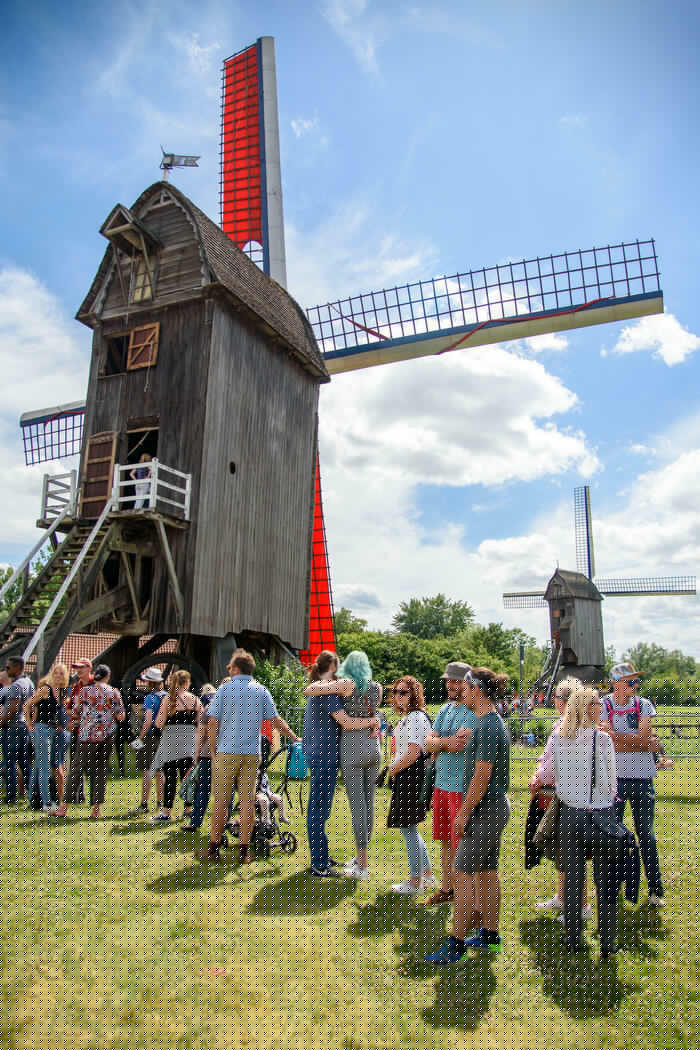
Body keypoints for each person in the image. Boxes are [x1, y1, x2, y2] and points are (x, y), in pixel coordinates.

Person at [425, 666, 510, 964]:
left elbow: (481, 776)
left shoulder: (487, 726)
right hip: (491, 807)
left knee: (462, 874)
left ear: (476, 690)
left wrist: (463, 812)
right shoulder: (489, 721)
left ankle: (456, 943)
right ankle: (490, 936)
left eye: (468, 688)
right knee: (487, 872)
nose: (463, 692)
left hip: (485, 808)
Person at [201, 649, 300, 864]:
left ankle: (214, 847)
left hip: (227, 750)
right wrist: (294, 737)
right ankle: (244, 851)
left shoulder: (224, 690)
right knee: (247, 801)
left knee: (221, 801)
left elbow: (212, 721)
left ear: (236, 669)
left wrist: (213, 749)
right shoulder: (261, 690)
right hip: (251, 753)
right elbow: (275, 720)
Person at [553, 684, 623, 959]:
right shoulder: (602, 740)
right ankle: (607, 941)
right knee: (604, 881)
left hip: (570, 813)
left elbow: (558, 778)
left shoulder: (559, 738)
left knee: (573, 878)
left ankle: (572, 938)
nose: (600, 707)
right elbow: (610, 782)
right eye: (595, 703)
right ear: (587, 708)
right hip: (600, 813)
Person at [302, 651, 380, 877]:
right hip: (326, 754)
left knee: (325, 808)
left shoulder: (335, 688)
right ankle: (320, 861)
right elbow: (345, 721)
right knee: (320, 809)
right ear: (334, 667)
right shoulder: (333, 690)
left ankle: (323, 856)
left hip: (331, 752)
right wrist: (374, 721)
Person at [599, 662, 665, 906]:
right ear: (616, 682)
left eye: (636, 681)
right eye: (630, 681)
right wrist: (638, 742)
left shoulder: (644, 705)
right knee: (611, 834)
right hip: (613, 780)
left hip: (642, 779)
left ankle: (655, 889)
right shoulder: (603, 705)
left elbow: (645, 738)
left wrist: (621, 738)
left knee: (646, 834)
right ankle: (611, 887)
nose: (635, 686)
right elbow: (610, 742)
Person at [529, 677, 592, 921]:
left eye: (556, 696)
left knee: (573, 852)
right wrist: (539, 772)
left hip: (571, 798)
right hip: (566, 795)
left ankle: (580, 906)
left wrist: (538, 777)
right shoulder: (568, 726)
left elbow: (554, 763)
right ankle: (563, 897)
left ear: (564, 701)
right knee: (564, 849)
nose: (553, 700)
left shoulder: (571, 729)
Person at [421, 661, 476, 907]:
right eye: (448, 680)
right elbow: (428, 742)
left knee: (463, 845)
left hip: (462, 787)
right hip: (441, 784)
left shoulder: (475, 711)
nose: (450, 685)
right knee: (445, 840)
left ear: (468, 683)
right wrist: (444, 742)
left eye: (456, 681)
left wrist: (439, 742)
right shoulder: (445, 710)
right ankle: (447, 889)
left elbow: (459, 745)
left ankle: (469, 899)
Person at [385, 676, 436, 894]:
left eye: (404, 692)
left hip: (411, 775)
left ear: (414, 694)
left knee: (408, 828)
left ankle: (415, 882)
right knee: (411, 828)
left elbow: (414, 751)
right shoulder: (410, 717)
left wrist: (393, 768)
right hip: (410, 774)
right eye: (396, 692)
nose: (398, 696)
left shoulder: (416, 717)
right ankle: (427, 875)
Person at [56, 664, 125, 819]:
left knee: (76, 769)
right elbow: (121, 717)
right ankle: (96, 810)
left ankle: (64, 807)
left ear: (95, 675)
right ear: (108, 676)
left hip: (87, 735)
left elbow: (74, 712)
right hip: (107, 735)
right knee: (100, 770)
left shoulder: (85, 691)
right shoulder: (114, 692)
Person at [148, 669, 201, 823]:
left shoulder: (168, 700)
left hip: (171, 746)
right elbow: (201, 723)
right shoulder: (195, 700)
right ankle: (188, 809)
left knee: (170, 779)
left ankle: (166, 812)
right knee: (188, 779)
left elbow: (158, 723)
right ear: (187, 683)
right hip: (189, 746)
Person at [24, 663, 69, 813]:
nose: (58, 676)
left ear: (65, 676)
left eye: (61, 673)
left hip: (53, 731)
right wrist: (29, 724)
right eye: (56, 673)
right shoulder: (45, 689)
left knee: (38, 765)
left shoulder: (62, 693)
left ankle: (31, 798)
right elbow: (28, 705)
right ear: (52, 674)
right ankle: (47, 803)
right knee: (44, 768)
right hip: (41, 730)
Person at [128, 668, 166, 815]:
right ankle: (160, 803)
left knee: (147, 771)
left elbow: (148, 721)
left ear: (150, 683)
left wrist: (140, 738)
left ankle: (144, 804)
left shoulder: (150, 698)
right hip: (163, 735)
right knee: (160, 771)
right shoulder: (167, 697)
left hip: (150, 737)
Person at [0, 657, 34, 805]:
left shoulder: (15, 686)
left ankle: (11, 795)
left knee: (10, 762)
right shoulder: (29, 683)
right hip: (23, 727)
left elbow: (13, 709)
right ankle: (32, 791)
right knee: (23, 761)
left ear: (17, 668)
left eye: (8, 668)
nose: (7, 671)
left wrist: (1, 722)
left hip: (12, 728)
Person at [182, 683, 216, 832]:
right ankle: (225, 824)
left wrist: (196, 754)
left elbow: (201, 734)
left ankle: (195, 822)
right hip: (229, 755)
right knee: (228, 792)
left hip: (208, 754)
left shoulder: (210, 709)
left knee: (203, 788)